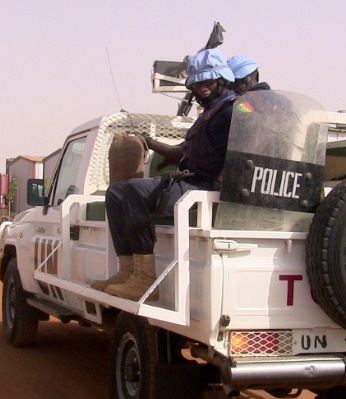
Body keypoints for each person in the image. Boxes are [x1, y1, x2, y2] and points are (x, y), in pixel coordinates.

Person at [91, 48, 237, 301]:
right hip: (189, 181)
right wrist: (159, 149)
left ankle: (146, 280)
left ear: (222, 81)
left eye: (209, 82)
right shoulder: (208, 115)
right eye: (197, 84)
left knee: (136, 190)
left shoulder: (231, 112)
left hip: (207, 187)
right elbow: (187, 151)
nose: (203, 89)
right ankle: (127, 271)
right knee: (116, 192)